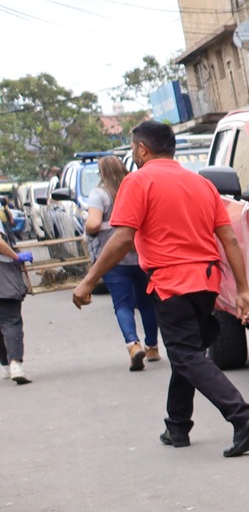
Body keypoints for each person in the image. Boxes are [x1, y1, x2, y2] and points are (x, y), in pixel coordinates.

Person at [69, 120, 249, 455]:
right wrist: (243, 290)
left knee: (186, 354)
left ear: (142, 149)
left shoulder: (138, 181)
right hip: (206, 283)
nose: (133, 154)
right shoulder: (201, 183)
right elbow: (229, 238)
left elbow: (122, 239)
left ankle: (242, 415)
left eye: (133, 148)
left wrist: (89, 280)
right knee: (185, 352)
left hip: (170, 283)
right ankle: (177, 426)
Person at [84, 153, 160, 371]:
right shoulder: (135, 189)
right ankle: (153, 347)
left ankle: (133, 345)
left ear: (101, 174)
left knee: (122, 305)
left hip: (114, 260)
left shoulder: (99, 195)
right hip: (142, 257)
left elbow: (93, 224)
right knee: (147, 303)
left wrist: (90, 225)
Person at [0, 232, 26, 383]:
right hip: (3, 279)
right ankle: (15, 363)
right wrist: (16, 257)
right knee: (11, 322)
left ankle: (4, 365)